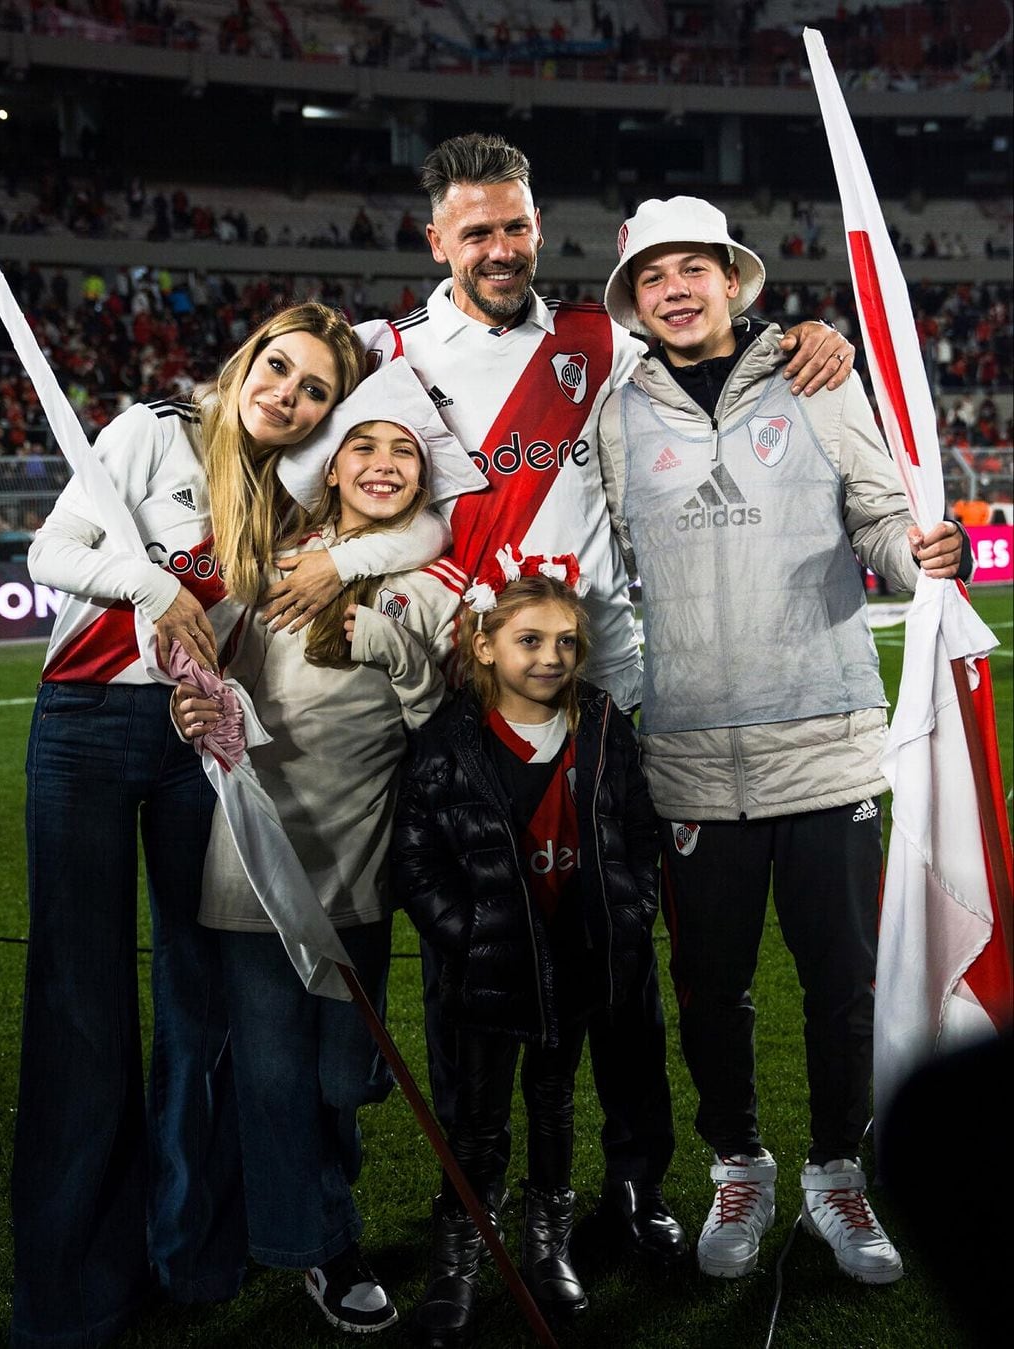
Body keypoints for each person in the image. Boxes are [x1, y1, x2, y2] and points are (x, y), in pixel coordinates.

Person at [266, 131, 851, 1267]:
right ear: (434, 237)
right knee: (471, 958)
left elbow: (718, 353)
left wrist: (808, 338)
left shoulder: (606, 343)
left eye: (516, 226)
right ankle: (474, 1205)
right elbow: (298, 478)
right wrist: (337, 565)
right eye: (475, 229)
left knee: (623, 958)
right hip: (457, 706)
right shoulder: (386, 357)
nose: (499, 247)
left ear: (540, 229)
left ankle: (632, 1189)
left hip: (603, 693)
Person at [14, 304, 448, 1348]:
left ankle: (192, 1250)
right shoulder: (154, 429)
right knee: (83, 1011)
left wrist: (340, 569)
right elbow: (50, 548)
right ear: (249, 356)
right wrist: (155, 583)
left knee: (199, 1006)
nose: (287, 396)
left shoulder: (298, 486)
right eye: (279, 368)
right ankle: (75, 1295)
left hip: (200, 743)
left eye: (312, 390)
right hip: (88, 723)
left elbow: (423, 521)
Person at [597, 194, 967, 1286]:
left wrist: (922, 551)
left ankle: (837, 1173)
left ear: (731, 277)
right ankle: (739, 1163)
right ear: (635, 300)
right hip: (692, 755)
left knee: (841, 981)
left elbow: (882, 520)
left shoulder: (818, 373)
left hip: (828, 741)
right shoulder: (613, 413)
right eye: (652, 275)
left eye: (691, 268)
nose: (674, 288)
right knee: (710, 984)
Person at [169, 361, 481, 1336]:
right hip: (259, 864)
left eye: (405, 451)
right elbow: (205, 662)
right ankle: (321, 1244)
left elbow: (439, 724)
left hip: (361, 873)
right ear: (332, 467)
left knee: (346, 1074)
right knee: (271, 1073)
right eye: (364, 445)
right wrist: (192, 699)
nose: (385, 463)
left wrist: (387, 645)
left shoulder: (433, 584)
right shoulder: (274, 560)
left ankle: (315, 1205)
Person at [393, 562, 660, 1344]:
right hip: (487, 973)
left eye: (567, 642)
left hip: (575, 962)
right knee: (476, 1122)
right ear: (484, 645)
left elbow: (640, 835)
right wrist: (469, 939)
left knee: (554, 1104)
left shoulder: (605, 724)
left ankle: (547, 1245)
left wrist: (629, 914)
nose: (550, 657)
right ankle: (458, 1261)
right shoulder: (449, 737)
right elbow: (415, 858)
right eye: (530, 639)